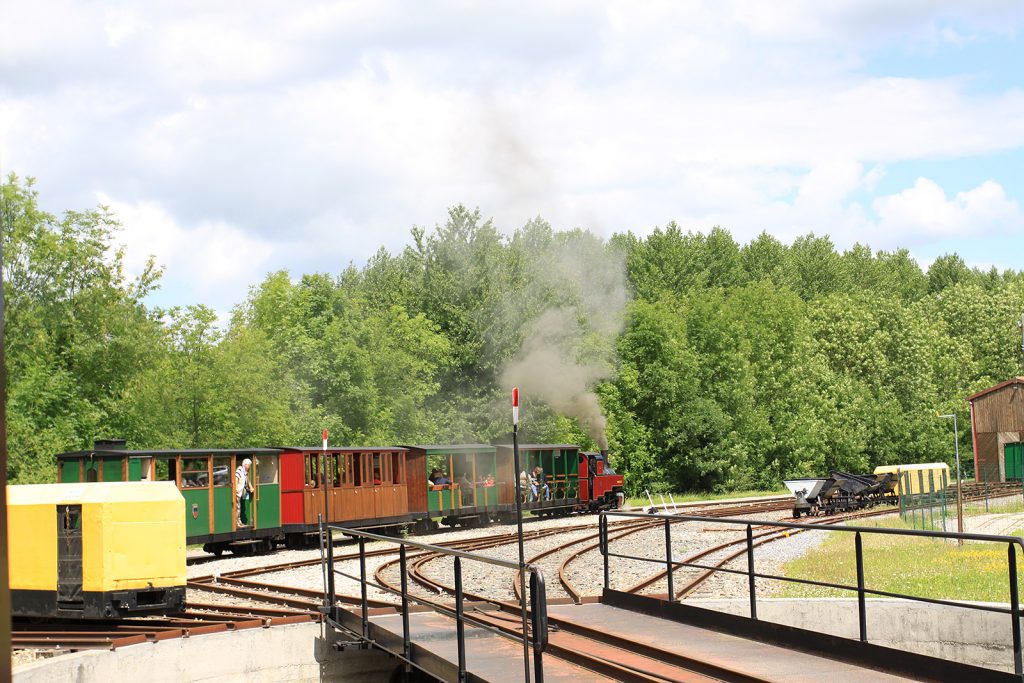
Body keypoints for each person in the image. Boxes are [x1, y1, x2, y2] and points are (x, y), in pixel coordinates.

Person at [236, 458, 254, 527]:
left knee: (239, 507)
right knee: (237, 508)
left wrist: (251, 487)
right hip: (238, 492)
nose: (249, 466)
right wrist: (235, 489)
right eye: (249, 465)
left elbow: (248, 480)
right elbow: (236, 479)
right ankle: (237, 523)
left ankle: (239, 522)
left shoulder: (245, 471)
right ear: (245, 464)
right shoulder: (239, 470)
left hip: (241, 493)